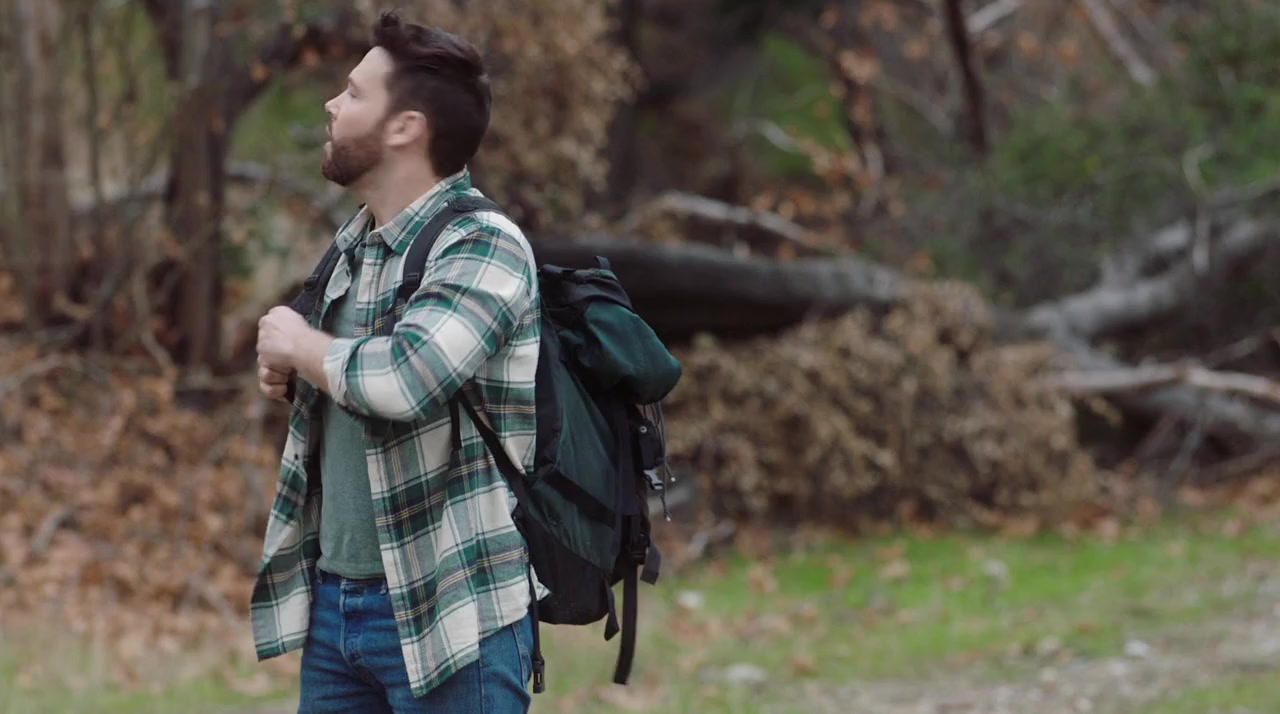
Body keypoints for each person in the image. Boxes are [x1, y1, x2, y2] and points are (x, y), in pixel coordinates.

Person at [251, 11, 542, 713]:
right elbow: (347, 379)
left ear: (406, 126)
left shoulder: (483, 244)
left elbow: (404, 379)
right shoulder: (357, 245)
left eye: (354, 93)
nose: (332, 104)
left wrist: (301, 344)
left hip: (451, 609)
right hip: (336, 611)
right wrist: (294, 373)